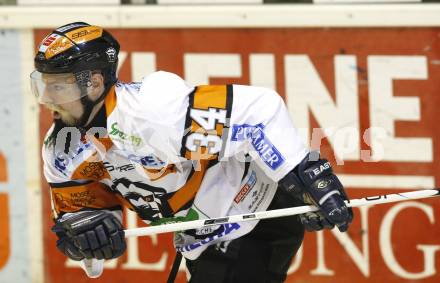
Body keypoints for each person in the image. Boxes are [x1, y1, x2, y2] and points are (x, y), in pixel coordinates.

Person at [31, 22, 353, 283]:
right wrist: (86, 240)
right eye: (42, 85)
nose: (46, 99)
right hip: (202, 240)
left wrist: (303, 170)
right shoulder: (61, 151)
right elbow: (87, 220)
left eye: (58, 86)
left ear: (94, 84)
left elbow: (260, 112)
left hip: (253, 212)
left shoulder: (152, 110)